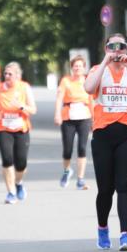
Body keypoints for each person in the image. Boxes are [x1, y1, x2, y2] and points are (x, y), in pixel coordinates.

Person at [84, 34, 127, 251]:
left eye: (120, 47)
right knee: (105, 189)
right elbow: (88, 88)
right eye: (112, 47)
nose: (116, 51)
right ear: (106, 49)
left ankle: (125, 235)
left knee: (124, 186)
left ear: (126, 49)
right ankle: (102, 228)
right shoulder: (98, 69)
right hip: (103, 133)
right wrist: (105, 61)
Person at [0, 62, 37, 204]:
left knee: (21, 163)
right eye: (5, 73)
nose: (7, 76)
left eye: (10, 74)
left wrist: (21, 106)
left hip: (21, 129)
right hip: (3, 128)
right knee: (7, 159)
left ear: (17, 75)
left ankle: (18, 182)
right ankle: (10, 192)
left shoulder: (24, 87)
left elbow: (33, 110)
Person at [54, 56, 93, 190]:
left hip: (84, 116)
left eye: (80, 66)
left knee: (82, 148)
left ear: (84, 68)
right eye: (75, 66)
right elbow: (59, 98)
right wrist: (57, 114)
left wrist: (94, 119)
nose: (77, 68)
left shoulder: (88, 81)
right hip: (68, 117)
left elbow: (91, 100)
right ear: (72, 68)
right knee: (67, 149)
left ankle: (80, 180)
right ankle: (67, 172)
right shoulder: (66, 81)